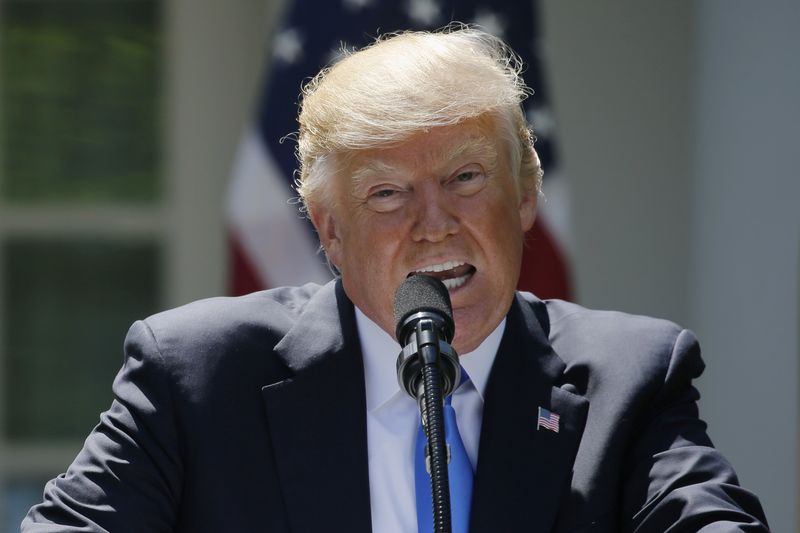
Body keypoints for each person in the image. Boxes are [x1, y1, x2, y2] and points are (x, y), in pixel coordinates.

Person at [23, 27, 768, 532]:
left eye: (466, 177)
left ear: (526, 194)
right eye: (386, 193)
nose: (433, 222)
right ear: (330, 230)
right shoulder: (197, 377)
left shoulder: (629, 381)